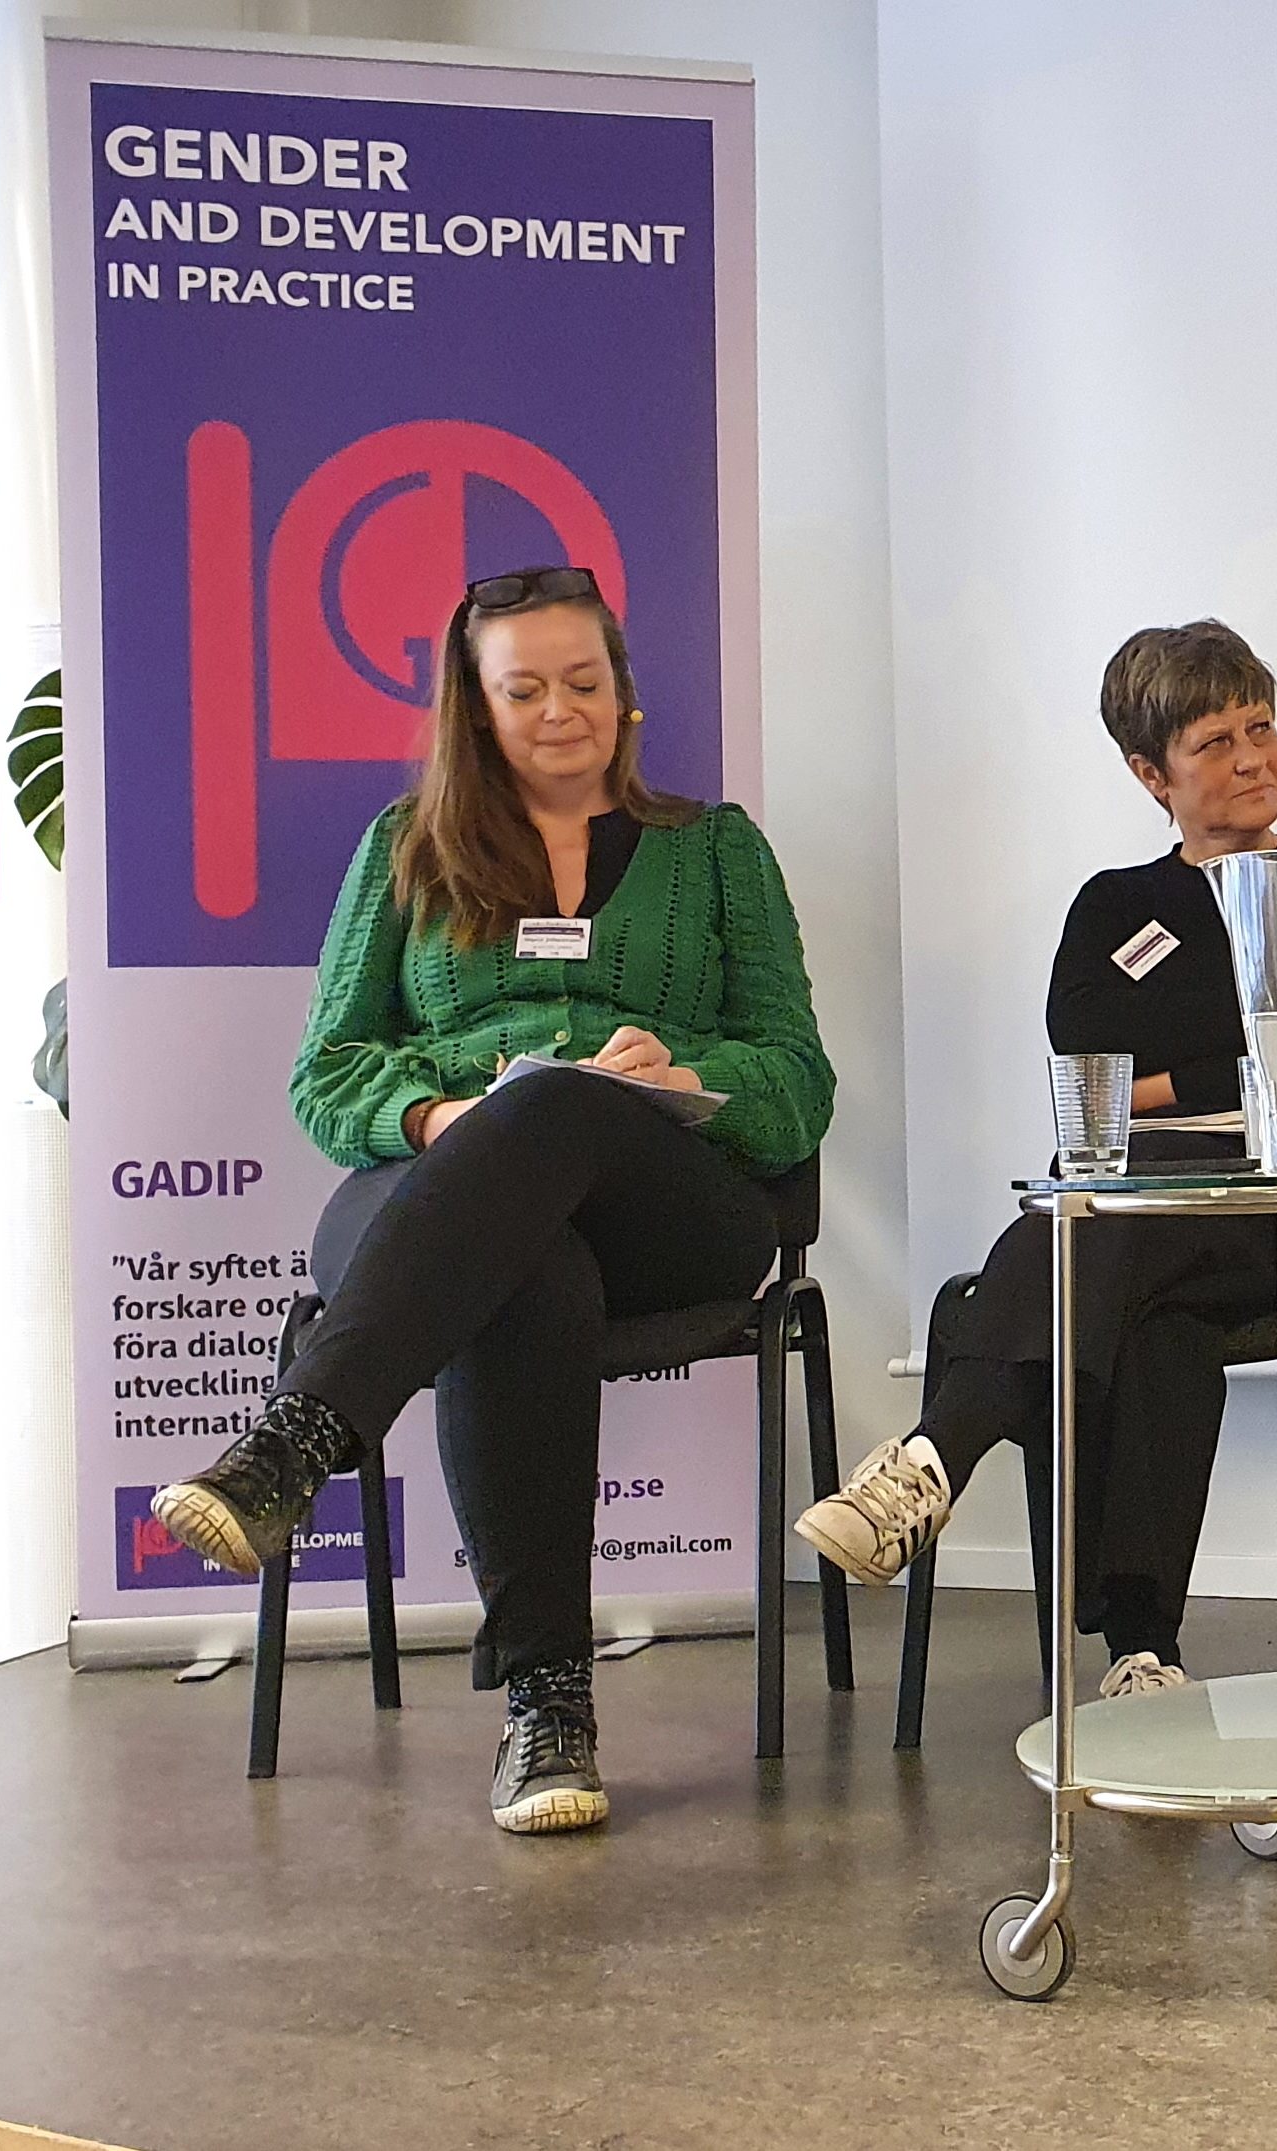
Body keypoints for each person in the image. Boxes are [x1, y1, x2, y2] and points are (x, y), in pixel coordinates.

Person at [148, 566, 836, 1836]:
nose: (559, 711)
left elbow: (799, 1078)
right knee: (525, 1266)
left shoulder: (717, 849)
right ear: (476, 706)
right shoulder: (405, 846)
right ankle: (548, 1709)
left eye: (583, 682)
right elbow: (327, 1074)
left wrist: (686, 1073)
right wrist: (438, 1119)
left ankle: (300, 1436)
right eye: (524, 690)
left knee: (557, 1106)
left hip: (663, 1204)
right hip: (433, 1193)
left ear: (624, 693)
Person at [791, 621, 1277, 1698]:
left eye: (1261, 727)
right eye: (1215, 742)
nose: (1252, 759)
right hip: (1160, 1214)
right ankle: (1144, 1652)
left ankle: (934, 1457)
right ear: (1150, 774)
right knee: (1153, 1317)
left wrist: (1183, 1072)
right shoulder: (1117, 905)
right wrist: (1258, 1052)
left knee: (1087, 1228)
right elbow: (1087, 1070)